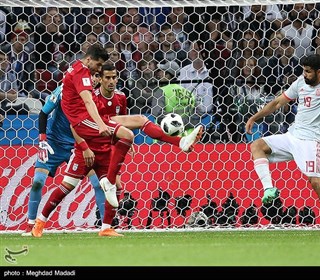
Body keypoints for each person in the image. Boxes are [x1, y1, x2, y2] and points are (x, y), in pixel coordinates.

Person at [31, 62, 204, 237]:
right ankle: (39, 222)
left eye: (114, 77)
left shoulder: (120, 98)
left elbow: (120, 121)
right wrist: (84, 148)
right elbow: (76, 126)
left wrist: (124, 142)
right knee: (67, 186)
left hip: (106, 149)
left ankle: (106, 227)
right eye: (107, 77)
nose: (111, 81)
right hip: (87, 150)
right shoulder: (90, 98)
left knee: (117, 185)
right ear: (100, 79)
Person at [245, 54, 320, 236]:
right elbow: (277, 102)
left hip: (311, 142)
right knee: (257, 145)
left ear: (319, 72)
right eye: (303, 71)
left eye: (308, 72)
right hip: (292, 136)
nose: (304, 75)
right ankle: (269, 189)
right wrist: (254, 118)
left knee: (315, 182)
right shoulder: (300, 83)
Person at [21, 83, 105, 236]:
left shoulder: (96, 95)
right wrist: (42, 140)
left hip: (79, 144)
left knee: (98, 184)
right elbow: (43, 113)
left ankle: (106, 227)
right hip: (54, 143)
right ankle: (30, 224)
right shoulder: (62, 90)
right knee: (38, 181)